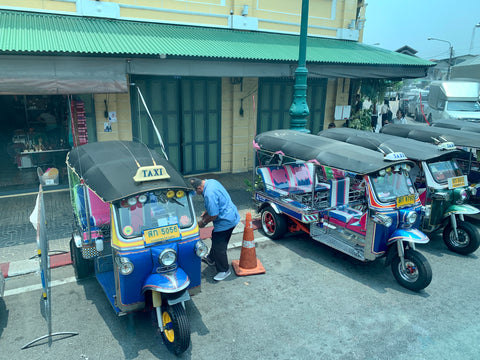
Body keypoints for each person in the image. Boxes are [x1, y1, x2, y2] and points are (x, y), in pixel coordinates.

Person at [190, 177, 240, 281]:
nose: (196, 193)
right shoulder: (211, 182)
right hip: (231, 214)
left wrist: (202, 223)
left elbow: (214, 215)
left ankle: (224, 270)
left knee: (219, 246)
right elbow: (215, 203)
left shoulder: (209, 193)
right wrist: (207, 210)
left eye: (196, 191)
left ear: (199, 187)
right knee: (216, 237)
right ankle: (211, 258)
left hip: (226, 220)